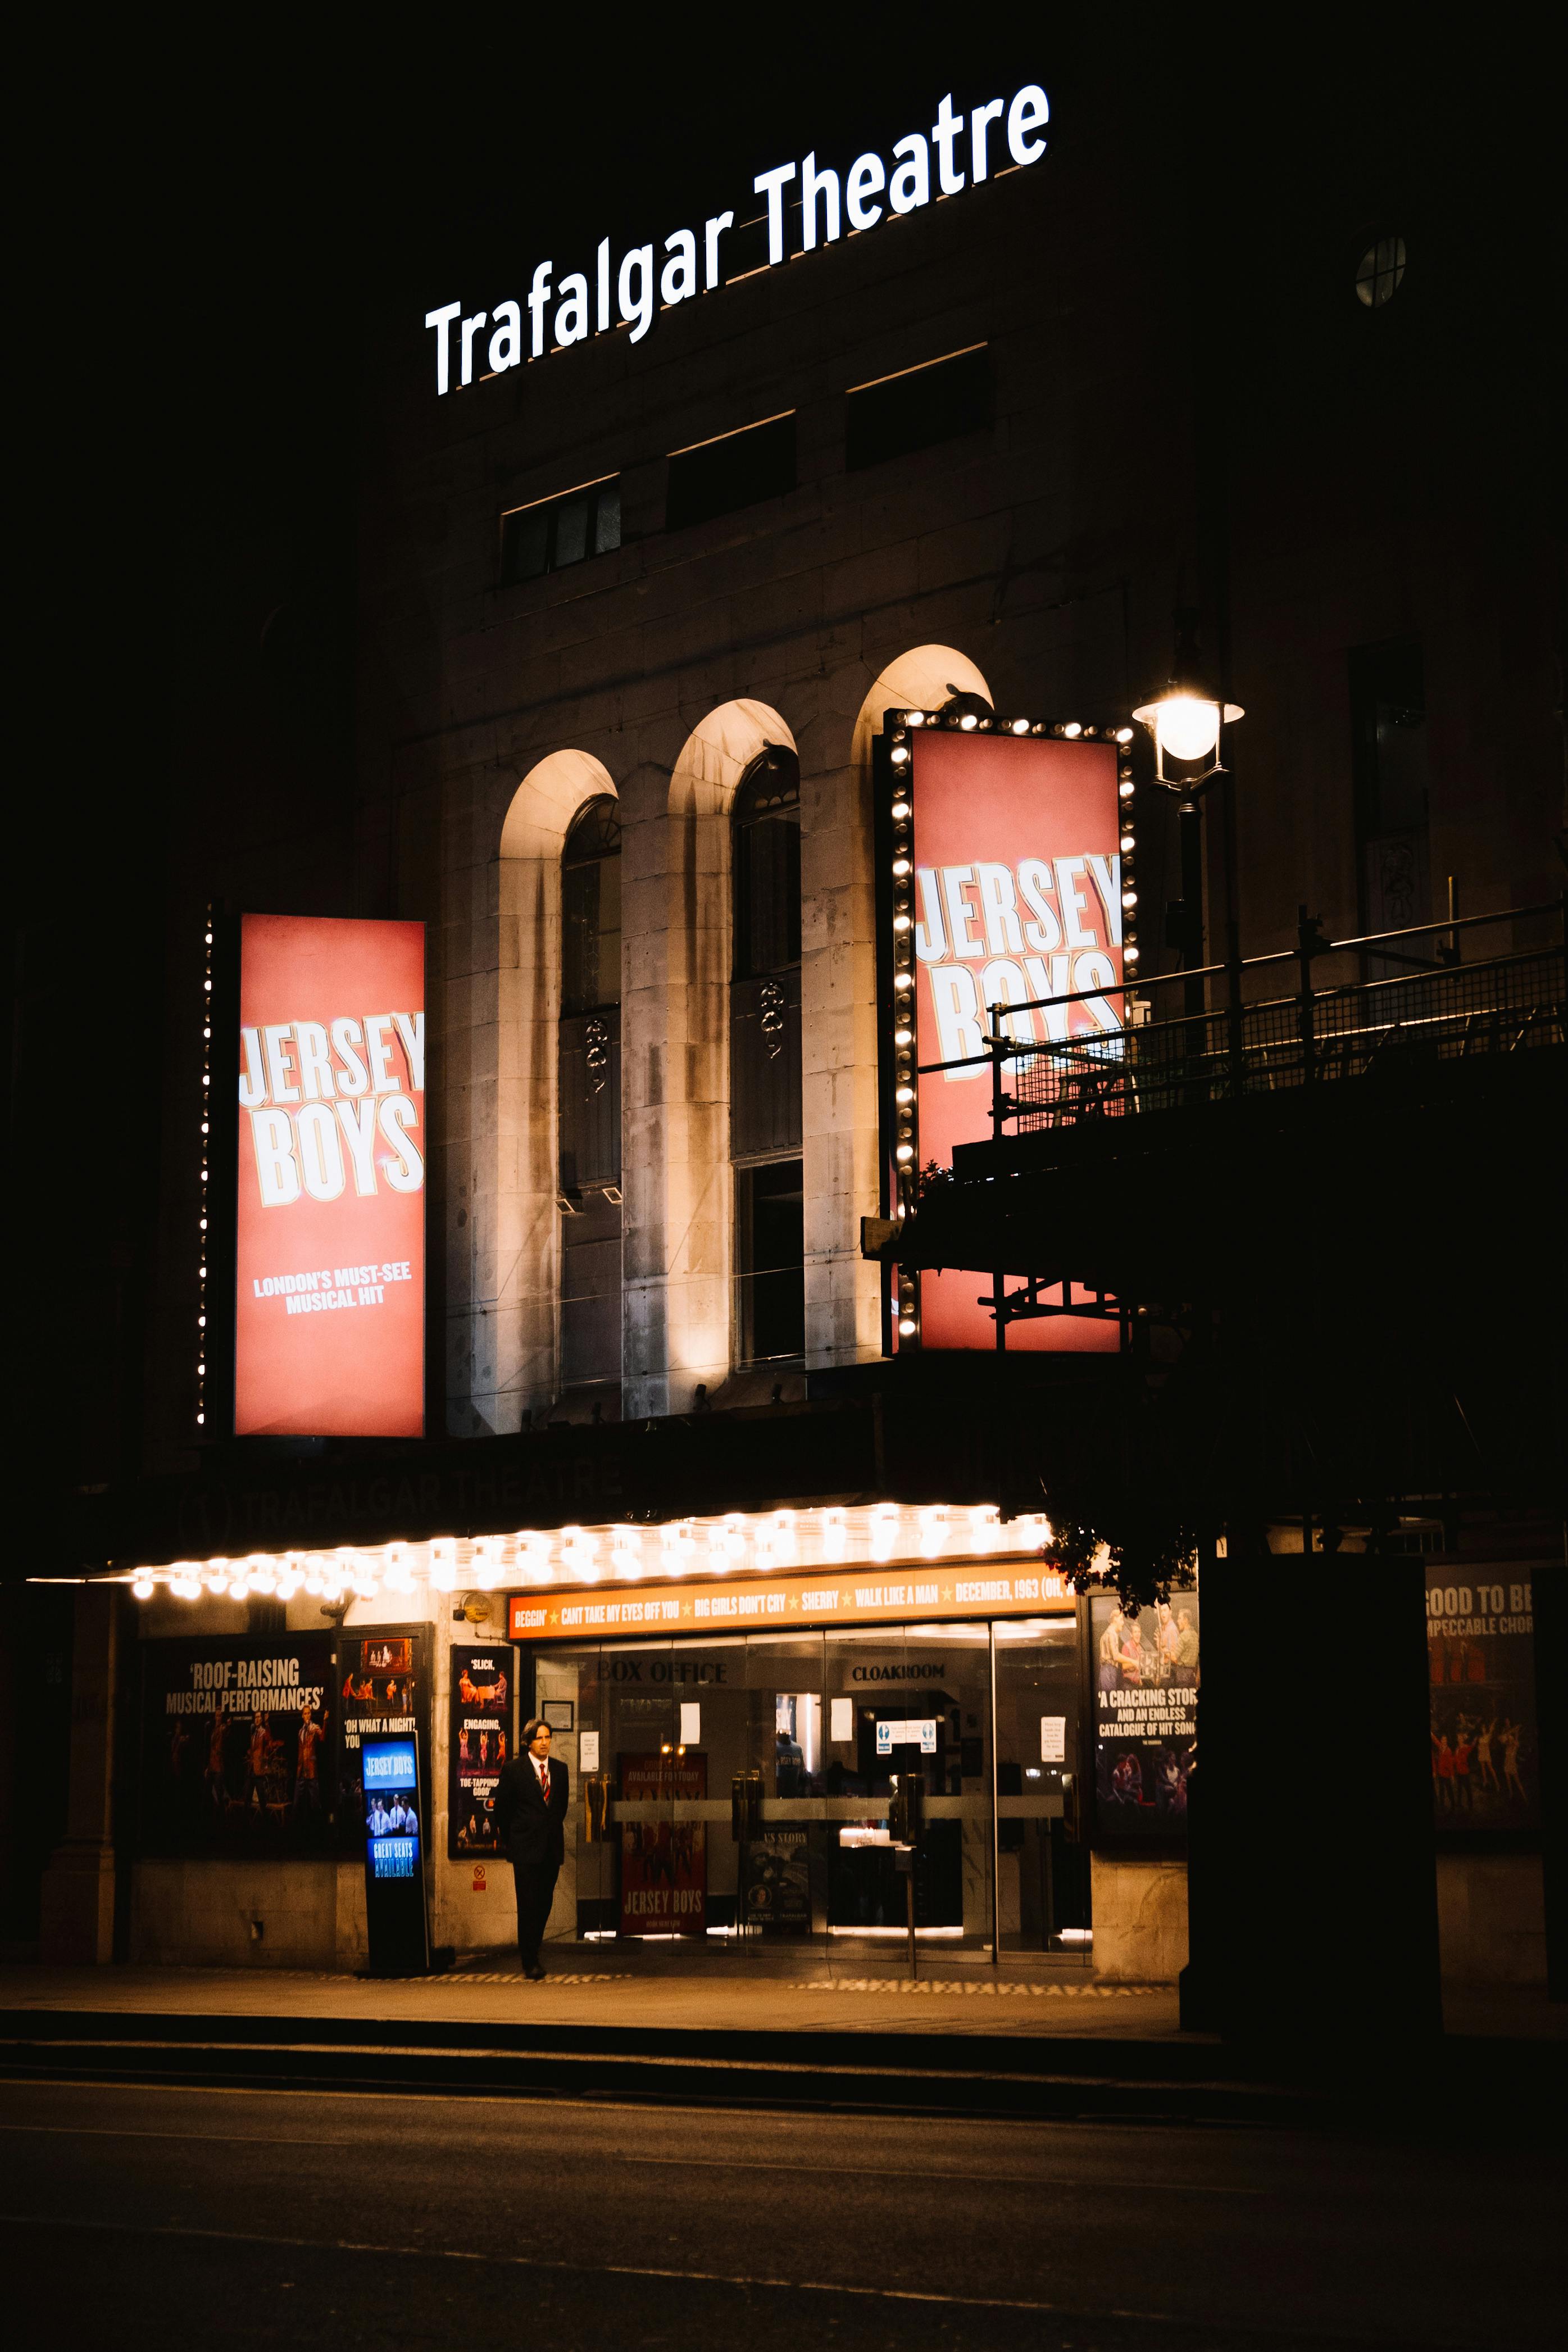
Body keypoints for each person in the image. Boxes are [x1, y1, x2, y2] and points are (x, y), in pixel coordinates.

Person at [494, 1717, 570, 1980]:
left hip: (550, 1848)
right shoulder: (514, 1770)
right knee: (528, 1903)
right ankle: (530, 1960)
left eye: (548, 1737)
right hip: (525, 1848)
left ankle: (534, 1946)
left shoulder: (560, 1770)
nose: (545, 1743)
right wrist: (513, 1839)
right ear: (529, 1741)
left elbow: (560, 1809)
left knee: (544, 1902)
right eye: (540, 1738)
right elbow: (502, 1810)